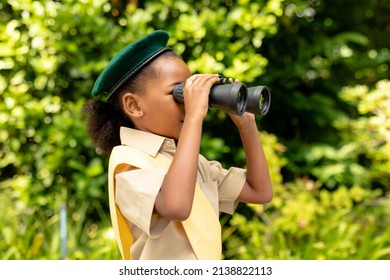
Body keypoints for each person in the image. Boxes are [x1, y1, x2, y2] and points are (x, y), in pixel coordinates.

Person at [83, 30, 272, 260]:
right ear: (134, 106)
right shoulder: (127, 164)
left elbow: (259, 191)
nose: (189, 103)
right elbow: (177, 206)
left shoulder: (190, 163)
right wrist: (194, 116)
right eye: (179, 93)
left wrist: (246, 125)